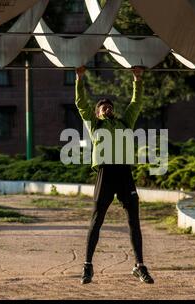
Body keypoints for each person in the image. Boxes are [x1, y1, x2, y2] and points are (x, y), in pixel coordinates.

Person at [75, 65, 154, 285]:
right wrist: (79, 78)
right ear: (97, 113)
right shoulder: (95, 125)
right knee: (97, 220)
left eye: (109, 106)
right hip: (105, 173)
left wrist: (137, 79)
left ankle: (139, 266)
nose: (107, 109)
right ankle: (87, 266)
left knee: (134, 222)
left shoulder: (124, 123)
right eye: (103, 107)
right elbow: (80, 104)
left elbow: (136, 103)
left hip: (124, 173)